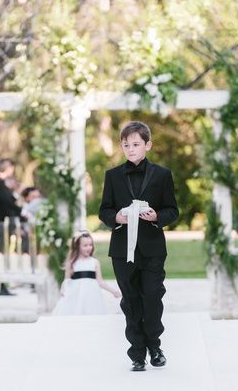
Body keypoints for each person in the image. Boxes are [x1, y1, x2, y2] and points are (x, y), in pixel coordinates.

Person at [99, 121, 179, 372]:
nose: (130, 149)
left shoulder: (163, 175)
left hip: (152, 248)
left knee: (153, 298)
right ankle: (137, 353)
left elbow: (172, 210)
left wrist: (157, 217)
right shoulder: (112, 176)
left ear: (148, 145)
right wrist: (116, 218)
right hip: (122, 250)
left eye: (135, 144)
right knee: (131, 301)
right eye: (126, 145)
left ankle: (155, 346)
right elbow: (104, 210)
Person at [52, 231, 121, 316]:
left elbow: (100, 281)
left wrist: (113, 291)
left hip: (91, 294)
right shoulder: (72, 262)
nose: (89, 248)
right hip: (75, 294)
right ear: (77, 247)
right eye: (85, 245)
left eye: (90, 245)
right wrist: (63, 289)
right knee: (76, 313)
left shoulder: (94, 262)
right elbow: (67, 279)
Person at [0, 158, 22, 295]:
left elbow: (10, 200)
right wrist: (22, 212)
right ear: (8, 169)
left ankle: (3, 285)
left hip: (1, 224)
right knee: (1, 253)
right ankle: (0, 285)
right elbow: (8, 202)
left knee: (3, 252)